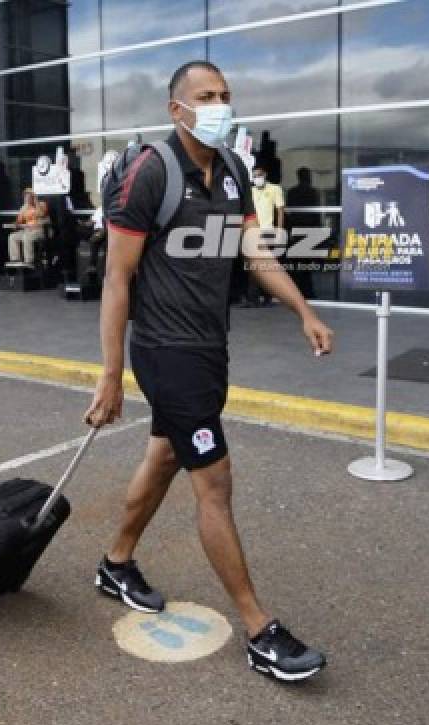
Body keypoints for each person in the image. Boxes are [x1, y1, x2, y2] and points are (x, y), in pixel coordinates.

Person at [86, 60, 334, 683]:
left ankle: (116, 563)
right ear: (177, 110)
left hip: (208, 347)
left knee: (165, 457)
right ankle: (260, 630)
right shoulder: (149, 170)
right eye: (206, 96)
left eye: (225, 94)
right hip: (166, 352)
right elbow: (117, 279)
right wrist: (111, 374)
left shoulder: (232, 170)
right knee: (214, 483)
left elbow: (254, 250)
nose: (220, 104)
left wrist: (302, 308)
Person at [243, 165, 284, 307]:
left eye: (259, 175)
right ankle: (253, 298)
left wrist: (279, 231)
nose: (257, 178)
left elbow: (280, 211)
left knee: (265, 266)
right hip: (254, 231)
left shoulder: (275, 189)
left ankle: (264, 297)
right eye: (254, 176)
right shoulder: (251, 190)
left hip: (268, 231)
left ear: (265, 174)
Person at [285, 167, 320, 299]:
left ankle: (299, 291)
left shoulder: (293, 192)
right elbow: (316, 214)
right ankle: (306, 291)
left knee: (298, 264)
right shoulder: (312, 192)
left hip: (298, 230)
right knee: (305, 265)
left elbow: (290, 213)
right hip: (307, 230)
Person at [7, 188, 48, 265]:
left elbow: (41, 214)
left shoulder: (42, 204)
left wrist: (36, 202)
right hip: (27, 230)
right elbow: (19, 220)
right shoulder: (24, 207)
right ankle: (15, 260)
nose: (27, 198)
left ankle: (29, 261)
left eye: (29, 196)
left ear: (34, 197)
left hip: (39, 230)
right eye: (26, 196)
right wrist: (15, 224)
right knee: (12, 237)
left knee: (26, 237)